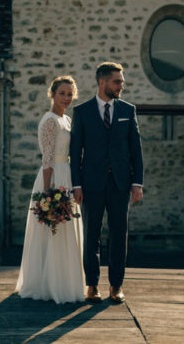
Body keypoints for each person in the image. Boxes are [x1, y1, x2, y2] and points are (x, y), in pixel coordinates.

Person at [70, 61, 144, 304]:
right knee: (91, 234)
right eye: (117, 81)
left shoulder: (128, 110)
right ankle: (92, 285)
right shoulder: (82, 112)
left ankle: (116, 285)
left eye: (121, 81)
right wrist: (76, 185)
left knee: (119, 234)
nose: (121, 86)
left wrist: (137, 182)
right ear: (102, 82)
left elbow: (136, 150)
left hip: (121, 184)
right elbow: (75, 151)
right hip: (91, 184)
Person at [15, 76, 86, 304]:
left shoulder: (66, 119)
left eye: (70, 94)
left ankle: (65, 282)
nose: (66, 98)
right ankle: (47, 285)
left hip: (67, 175)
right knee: (52, 230)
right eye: (62, 93)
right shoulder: (49, 121)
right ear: (52, 94)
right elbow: (47, 160)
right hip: (53, 177)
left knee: (65, 231)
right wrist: (47, 194)